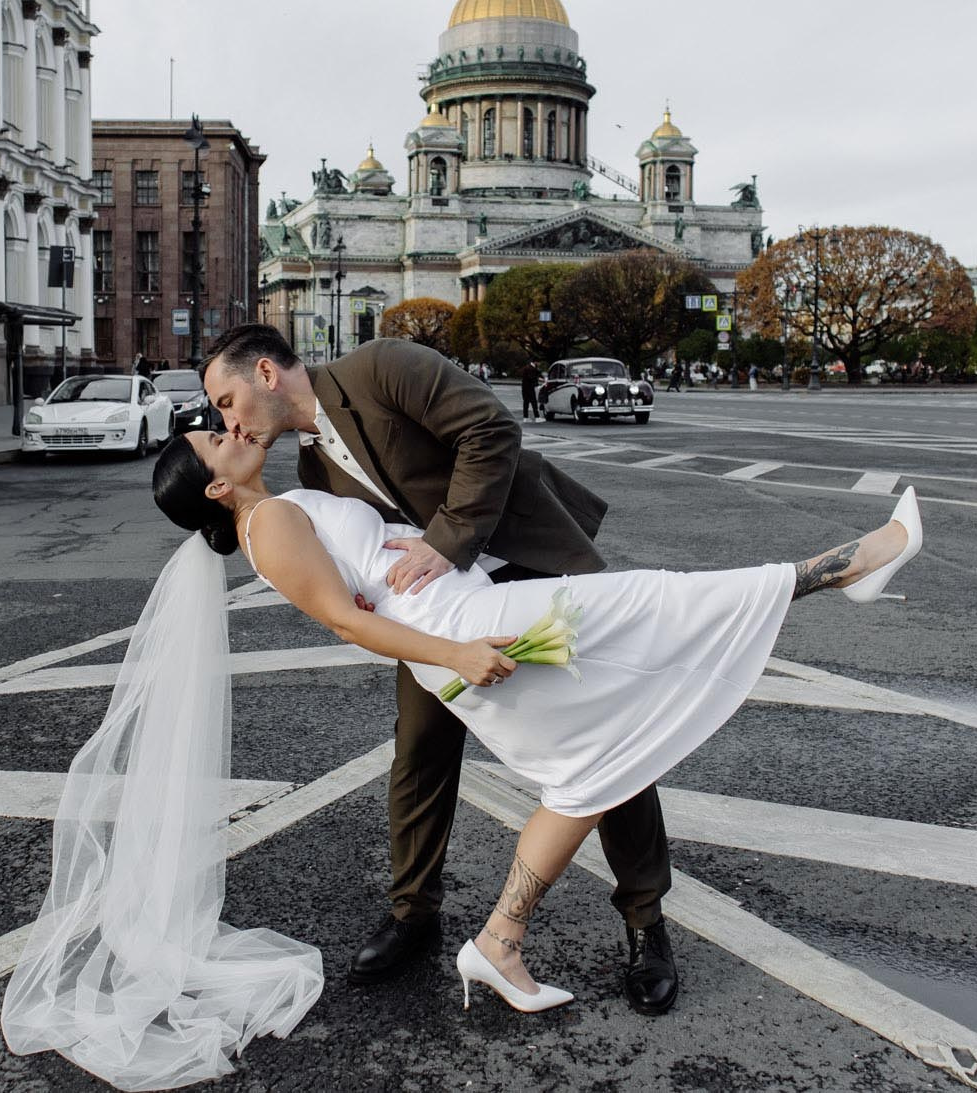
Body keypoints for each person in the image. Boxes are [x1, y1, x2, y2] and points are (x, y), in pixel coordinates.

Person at [0, 423, 922, 1084]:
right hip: (465, 629)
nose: (225, 429)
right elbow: (348, 620)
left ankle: (500, 942)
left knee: (591, 767)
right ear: (212, 484)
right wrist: (460, 655)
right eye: (211, 439)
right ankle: (857, 561)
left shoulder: (283, 499)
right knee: (663, 604)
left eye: (220, 419)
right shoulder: (268, 522)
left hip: (464, 621)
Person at [191, 328, 693, 1007]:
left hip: (521, 557)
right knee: (421, 745)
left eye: (227, 400)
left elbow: (490, 429)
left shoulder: (381, 366)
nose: (229, 420)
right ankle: (413, 914)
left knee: (603, 733)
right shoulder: (312, 471)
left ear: (265, 374)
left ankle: (645, 924)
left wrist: (445, 542)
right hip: (437, 613)